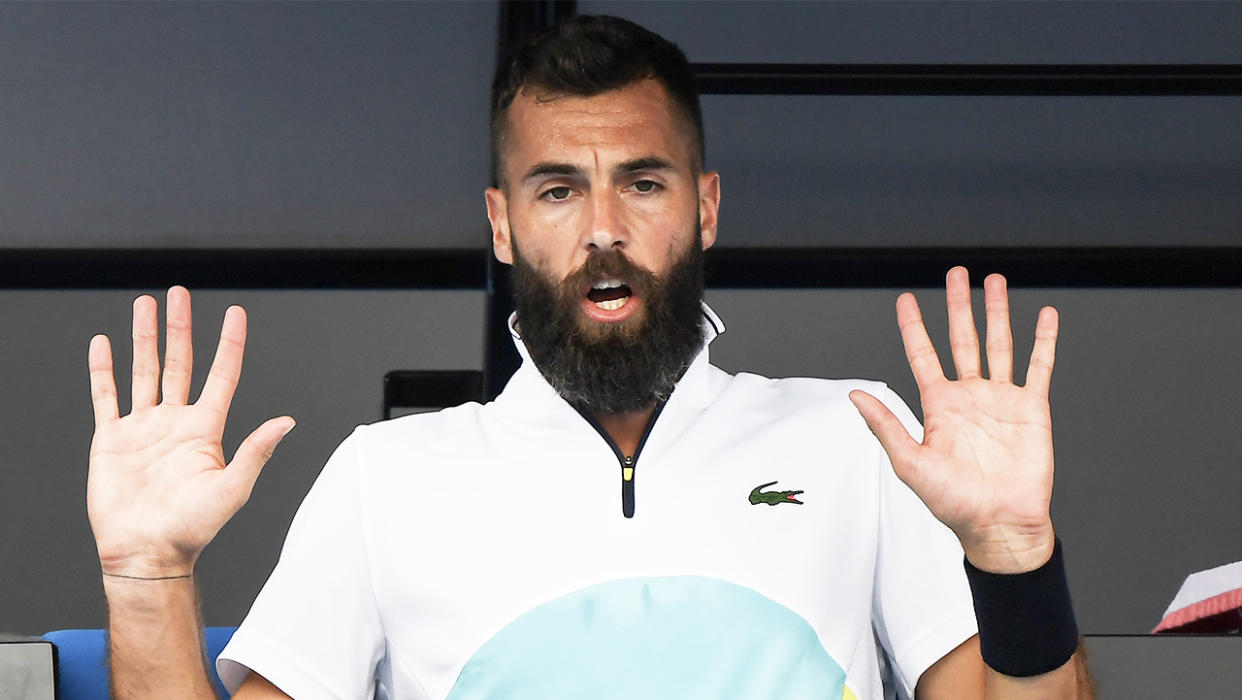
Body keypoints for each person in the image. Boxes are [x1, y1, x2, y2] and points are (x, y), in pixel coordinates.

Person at [87, 15, 1091, 700]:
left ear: (703, 207)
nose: (603, 229)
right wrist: (146, 574)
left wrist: (1014, 554)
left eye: (644, 184)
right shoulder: (383, 478)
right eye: (558, 189)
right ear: (503, 224)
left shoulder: (860, 436)